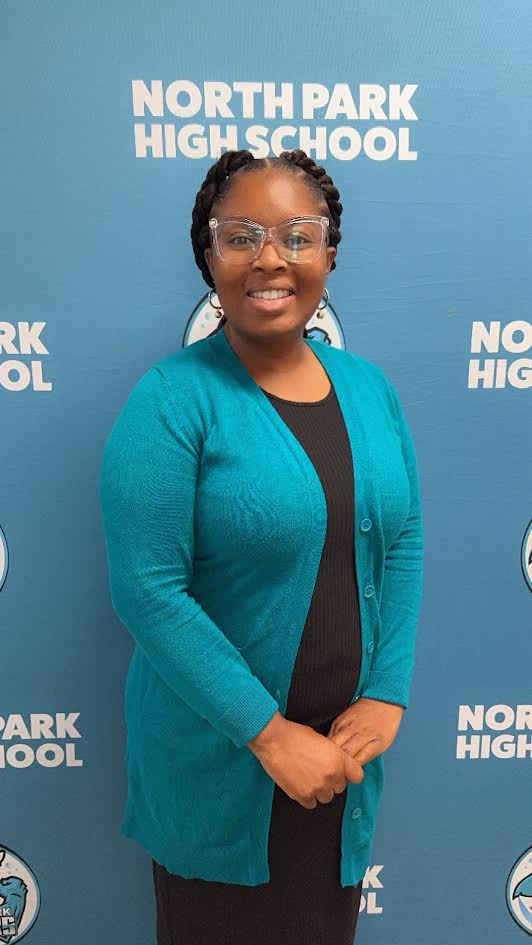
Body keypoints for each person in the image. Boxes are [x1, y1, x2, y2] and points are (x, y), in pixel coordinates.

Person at [99, 148, 424, 945]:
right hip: (222, 770)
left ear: (329, 253)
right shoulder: (170, 399)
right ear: (208, 257)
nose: (269, 258)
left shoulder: (370, 388)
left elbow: (404, 540)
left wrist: (386, 690)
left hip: (340, 772)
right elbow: (149, 589)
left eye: (296, 235)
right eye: (240, 236)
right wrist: (270, 737)